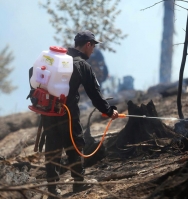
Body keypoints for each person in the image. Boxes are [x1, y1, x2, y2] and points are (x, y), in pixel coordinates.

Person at [28, 30, 119, 198]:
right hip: (67, 112)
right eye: (93, 47)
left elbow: (32, 72)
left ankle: (52, 189)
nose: (93, 51)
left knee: (52, 148)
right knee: (75, 144)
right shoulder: (81, 65)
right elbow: (95, 94)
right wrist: (109, 111)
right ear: (88, 45)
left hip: (47, 111)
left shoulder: (55, 59)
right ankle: (78, 184)